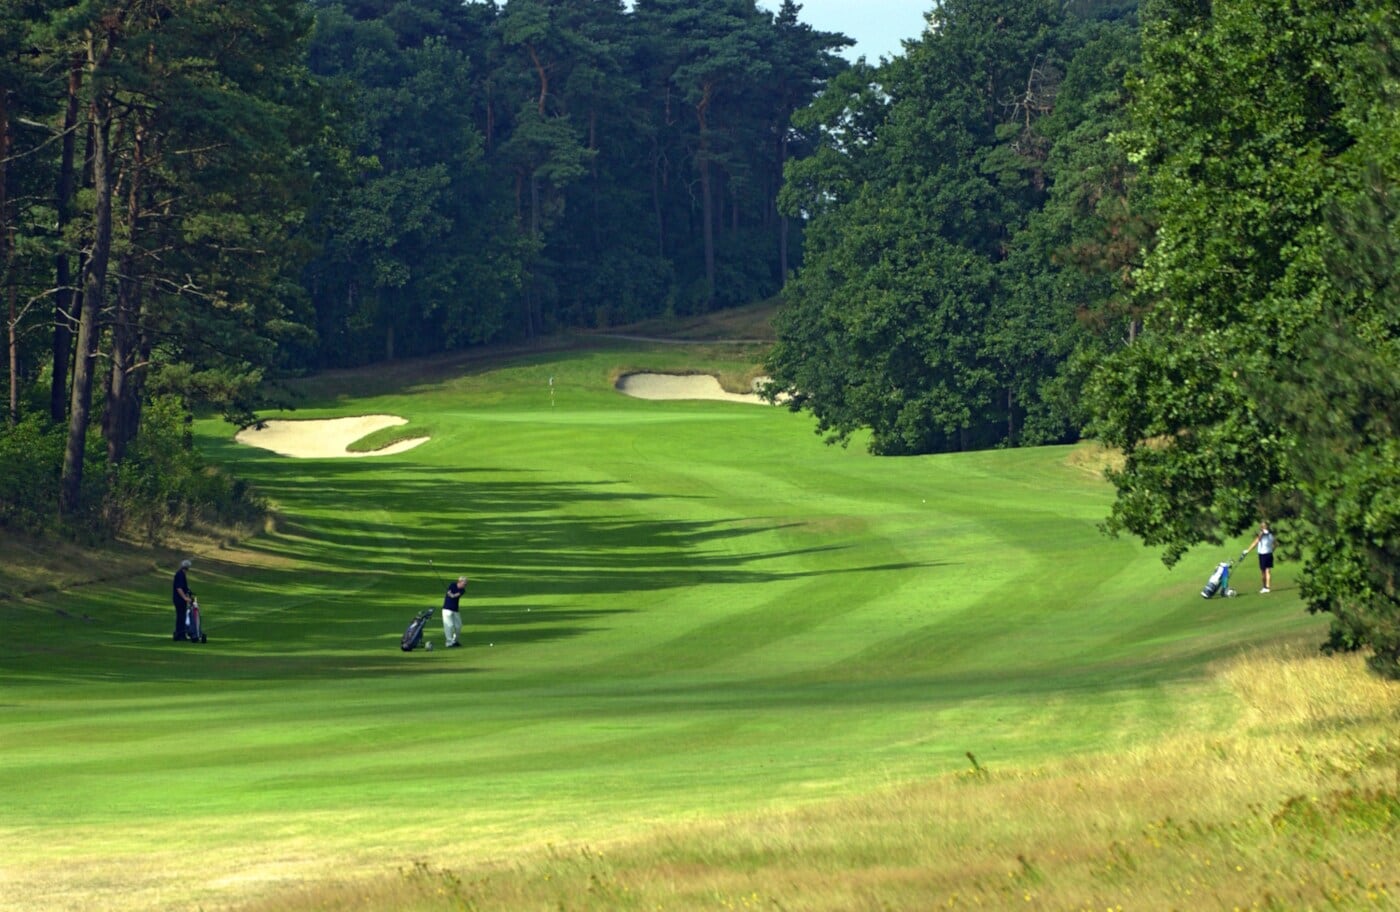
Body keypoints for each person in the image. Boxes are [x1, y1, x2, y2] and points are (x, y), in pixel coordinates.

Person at [1242, 521, 1276, 593]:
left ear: (1263, 527)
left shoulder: (1262, 535)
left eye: (1262, 526)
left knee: (1264, 571)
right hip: (1269, 554)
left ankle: (1265, 587)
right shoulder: (1270, 535)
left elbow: (1255, 543)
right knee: (1268, 571)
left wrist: (1248, 550)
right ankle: (1267, 587)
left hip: (1263, 554)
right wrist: (1272, 550)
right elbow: (1276, 544)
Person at [442, 575, 468, 648]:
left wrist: (451, 595)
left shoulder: (462, 590)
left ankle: (455, 640)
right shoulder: (452, 585)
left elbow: (455, 595)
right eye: (464, 583)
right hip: (447, 609)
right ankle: (449, 643)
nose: (465, 585)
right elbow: (449, 592)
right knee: (449, 626)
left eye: (466, 584)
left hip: (455, 610)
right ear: (459, 582)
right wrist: (449, 594)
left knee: (458, 626)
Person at [172, 559, 194, 640]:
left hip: (179, 599)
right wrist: (185, 598)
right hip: (179, 599)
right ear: (187, 568)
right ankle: (180, 634)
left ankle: (180, 633)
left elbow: (183, 587)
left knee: (181, 616)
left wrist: (188, 590)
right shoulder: (180, 575)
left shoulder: (181, 574)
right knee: (181, 616)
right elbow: (179, 588)